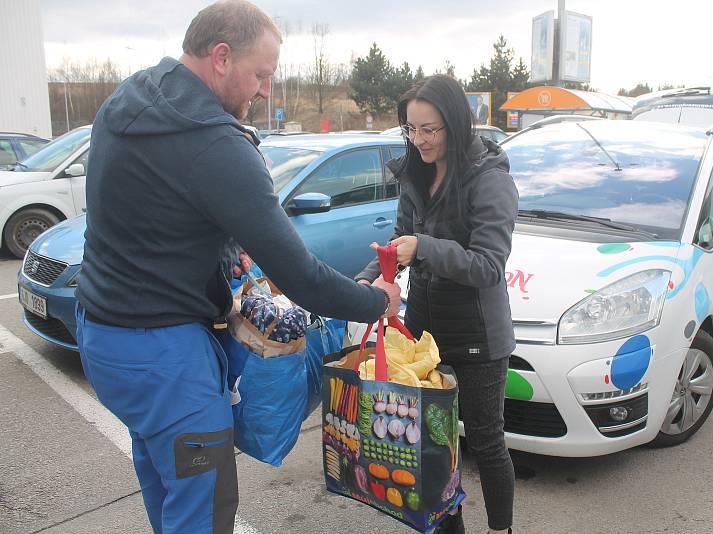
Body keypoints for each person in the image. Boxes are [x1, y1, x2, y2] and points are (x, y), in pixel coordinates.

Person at [74, 1, 400, 532]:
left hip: (106, 340)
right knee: (203, 507)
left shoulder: (130, 98)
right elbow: (300, 275)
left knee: (166, 481)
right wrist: (375, 300)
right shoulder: (215, 144)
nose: (266, 91)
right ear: (221, 57)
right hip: (164, 355)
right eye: (262, 75)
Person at [356, 75, 518, 534]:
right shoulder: (416, 172)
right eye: (411, 129)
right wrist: (367, 279)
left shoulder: (489, 179)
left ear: (455, 124)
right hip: (424, 334)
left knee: (486, 442)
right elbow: (400, 241)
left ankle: (500, 529)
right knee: (434, 445)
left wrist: (423, 247)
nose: (419, 140)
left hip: (479, 337)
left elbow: (488, 265)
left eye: (430, 130)